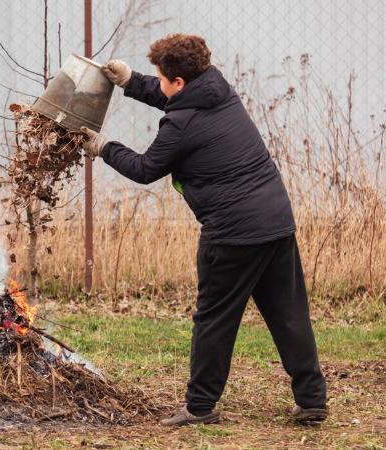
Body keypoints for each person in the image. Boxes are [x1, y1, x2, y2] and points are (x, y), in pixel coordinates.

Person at [81, 33, 327, 426]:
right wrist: (131, 81)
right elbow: (175, 100)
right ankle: (312, 400)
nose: (159, 83)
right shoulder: (217, 89)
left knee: (215, 319)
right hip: (276, 219)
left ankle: (199, 407)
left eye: (161, 77)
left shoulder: (180, 126)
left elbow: (145, 169)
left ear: (179, 81)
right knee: (288, 312)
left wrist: (103, 146)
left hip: (232, 233)